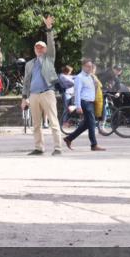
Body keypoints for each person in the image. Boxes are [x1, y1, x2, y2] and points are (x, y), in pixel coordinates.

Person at [21, 15, 62, 155]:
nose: (39, 49)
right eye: (37, 47)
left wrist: (49, 29)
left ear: (45, 50)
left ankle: (57, 147)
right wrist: (24, 98)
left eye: (41, 47)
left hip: (47, 92)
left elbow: (51, 44)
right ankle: (39, 147)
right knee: (36, 123)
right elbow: (26, 82)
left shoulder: (49, 59)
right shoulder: (29, 64)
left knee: (53, 121)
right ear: (34, 50)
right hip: (33, 95)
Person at [64, 59, 106, 152]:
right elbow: (77, 92)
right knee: (91, 124)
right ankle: (94, 145)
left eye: (91, 66)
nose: (90, 68)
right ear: (83, 66)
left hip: (91, 102)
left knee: (86, 124)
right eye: (88, 66)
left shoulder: (91, 77)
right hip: (85, 102)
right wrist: (78, 106)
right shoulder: (79, 77)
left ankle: (69, 138)